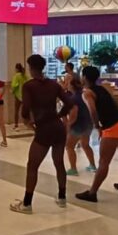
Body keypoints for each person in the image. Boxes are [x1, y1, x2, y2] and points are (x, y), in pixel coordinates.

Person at [10, 55, 73, 213]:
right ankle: (62, 197)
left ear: (31, 68)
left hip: (43, 128)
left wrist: (28, 121)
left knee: (32, 166)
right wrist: (59, 115)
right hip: (58, 128)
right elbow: (69, 102)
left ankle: (27, 203)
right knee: (59, 163)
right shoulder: (53, 84)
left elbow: (25, 109)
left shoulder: (29, 86)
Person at [75, 66, 118, 203]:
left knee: (103, 162)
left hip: (111, 127)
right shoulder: (102, 88)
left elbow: (93, 111)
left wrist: (97, 126)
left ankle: (92, 193)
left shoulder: (87, 93)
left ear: (84, 77)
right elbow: (116, 106)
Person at [65, 77, 96, 176]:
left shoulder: (73, 99)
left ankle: (73, 169)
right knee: (85, 145)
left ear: (72, 86)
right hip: (88, 124)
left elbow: (74, 113)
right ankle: (92, 165)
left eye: (68, 83)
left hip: (77, 125)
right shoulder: (85, 95)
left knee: (69, 146)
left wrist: (69, 124)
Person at [11, 63, 28, 130]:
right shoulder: (25, 76)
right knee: (26, 110)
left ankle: (16, 125)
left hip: (18, 95)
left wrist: (12, 91)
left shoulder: (16, 76)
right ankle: (27, 124)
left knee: (16, 111)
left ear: (17, 69)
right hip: (25, 95)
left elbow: (14, 85)